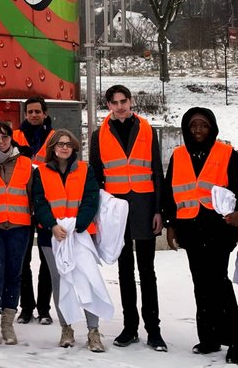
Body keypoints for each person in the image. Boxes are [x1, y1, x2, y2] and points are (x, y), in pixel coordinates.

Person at [161, 108, 238, 364]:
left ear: (212, 128)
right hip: (190, 229)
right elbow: (169, 192)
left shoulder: (226, 153)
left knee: (218, 283)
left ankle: (236, 341)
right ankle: (209, 338)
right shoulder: (178, 154)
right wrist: (170, 224)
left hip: (219, 229)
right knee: (201, 284)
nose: (197, 130)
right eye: (193, 125)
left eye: (203, 125)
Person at [88, 85, 167, 351]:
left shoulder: (147, 129)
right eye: (115, 102)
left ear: (131, 101)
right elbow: (96, 175)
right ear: (108, 105)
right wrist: (100, 214)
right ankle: (130, 327)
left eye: (124, 101)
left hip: (144, 207)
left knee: (147, 271)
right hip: (116, 211)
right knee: (124, 270)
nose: (120, 106)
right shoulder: (98, 135)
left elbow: (157, 172)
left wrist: (159, 210)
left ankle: (153, 330)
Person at [31, 130, 104, 351]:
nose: (64, 147)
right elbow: (39, 202)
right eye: (59, 144)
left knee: (87, 280)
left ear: (74, 147)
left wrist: (78, 225)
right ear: (52, 148)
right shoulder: (40, 172)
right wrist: (52, 225)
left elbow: (92, 199)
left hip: (80, 235)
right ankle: (66, 328)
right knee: (60, 281)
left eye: (68, 144)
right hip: (51, 235)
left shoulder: (85, 169)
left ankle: (93, 331)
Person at [0, 121, 33, 348]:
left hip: (19, 226)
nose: (1, 142)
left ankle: (8, 323)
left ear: (12, 138)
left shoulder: (25, 162)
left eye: (5, 137)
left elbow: (32, 194)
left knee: (14, 274)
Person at [12, 96, 54, 325]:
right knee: (23, 259)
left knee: (47, 258)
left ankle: (44, 308)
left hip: (47, 205)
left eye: (38, 111)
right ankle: (26, 307)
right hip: (22, 206)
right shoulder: (16, 137)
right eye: (30, 111)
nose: (34, 115)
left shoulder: (55, 138)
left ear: (45, 113)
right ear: (25, 114)